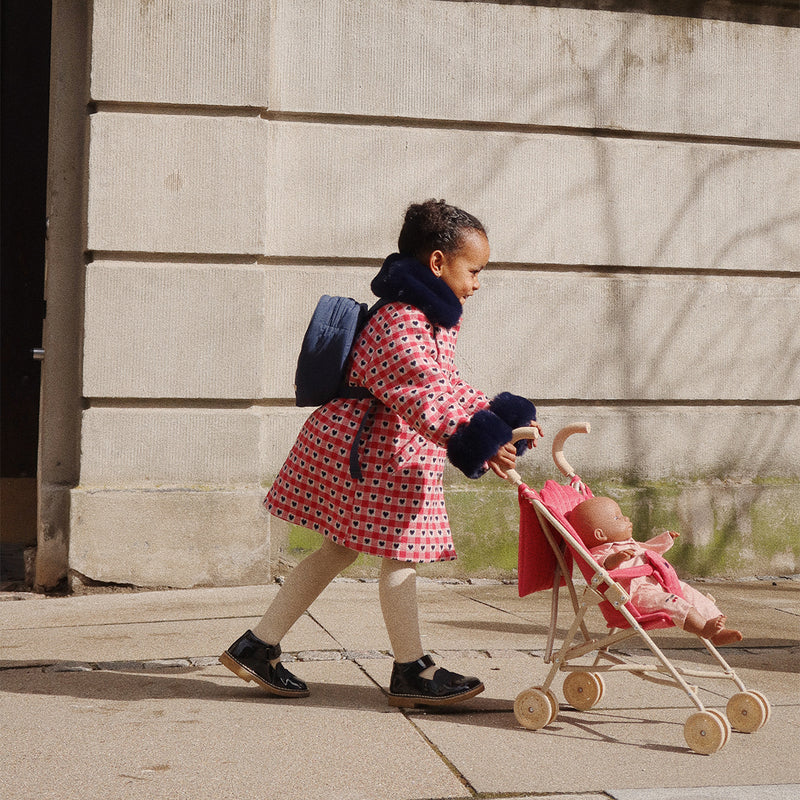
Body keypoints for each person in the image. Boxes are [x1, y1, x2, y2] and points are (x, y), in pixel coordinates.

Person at [221, 199, 542, 706]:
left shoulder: (427, 320)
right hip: (370, 452)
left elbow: (444, 386)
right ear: (438, 263)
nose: (478, 283)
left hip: (383, 450)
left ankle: (258, 645)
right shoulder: (400, 321)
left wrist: (499, 417)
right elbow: (422, 394)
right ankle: (410, 670)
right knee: (401, 551)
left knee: (340, 549)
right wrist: (483, 436)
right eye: (474, 271)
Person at [566, 496, 742, 646]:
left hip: (660, 583)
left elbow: (648, 549)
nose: (626, 518)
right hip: (637, 595)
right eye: (617, 518)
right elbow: (601, 566)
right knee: (673, 602)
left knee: (691, 594)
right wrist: (617, 558)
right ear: (600, 535)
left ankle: (718, 632)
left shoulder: (629, 543)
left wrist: (665, 539)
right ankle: (704, 629)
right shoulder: (602, 551)